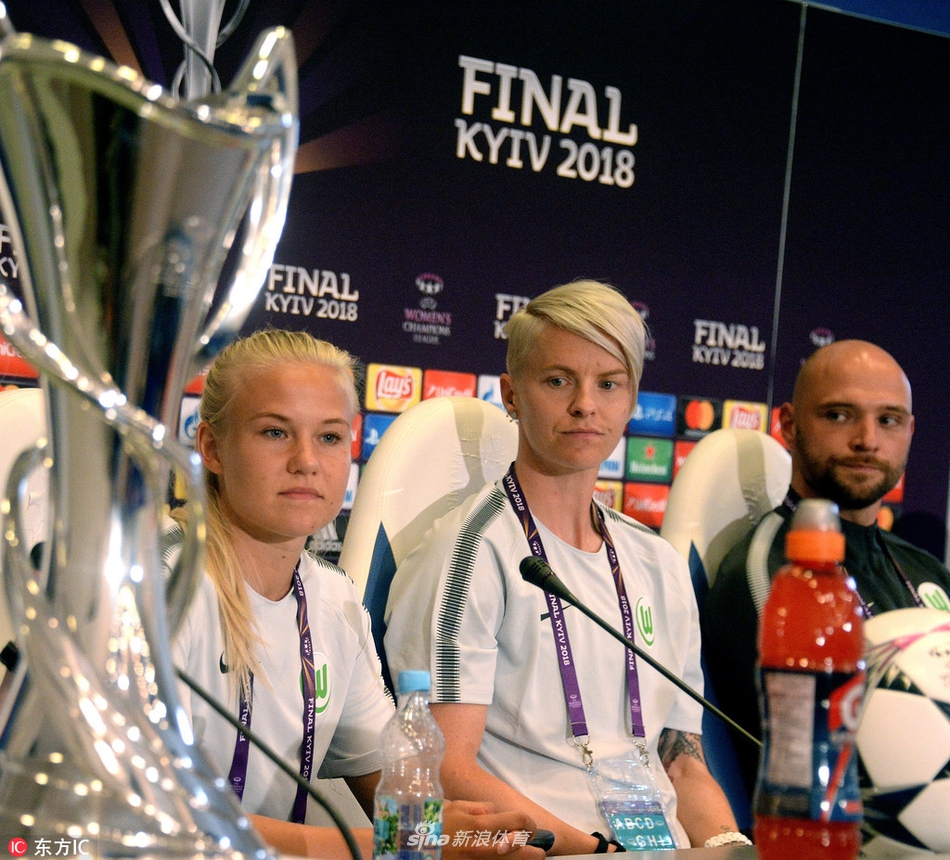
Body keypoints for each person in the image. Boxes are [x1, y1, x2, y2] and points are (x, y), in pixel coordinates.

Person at [384, 280, 746, 854]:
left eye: (609, 384)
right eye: (558, 380)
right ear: (511, 395)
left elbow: (682, 762)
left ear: (631, 400)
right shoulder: (470, 551)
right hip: (552, 851)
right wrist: (598, 851)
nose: (585, 404)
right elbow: (446, 768)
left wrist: (729, 847)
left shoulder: (658, 562)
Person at [169, 329, 544, 860]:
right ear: (211, 448)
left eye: (329, 437)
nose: (306, 460)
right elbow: (164, 815)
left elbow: (395, 798)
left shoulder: (334, 600)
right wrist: (398, 842)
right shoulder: (158, 587)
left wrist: (471, 834)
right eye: (275, 432)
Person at [703, 339, 950, 795]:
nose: (867, 440)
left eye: (888, 420)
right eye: (839, 415)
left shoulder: (925, 569)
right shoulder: (769, 573)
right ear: (789, 425)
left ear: (910, 430)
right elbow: (807, 759)